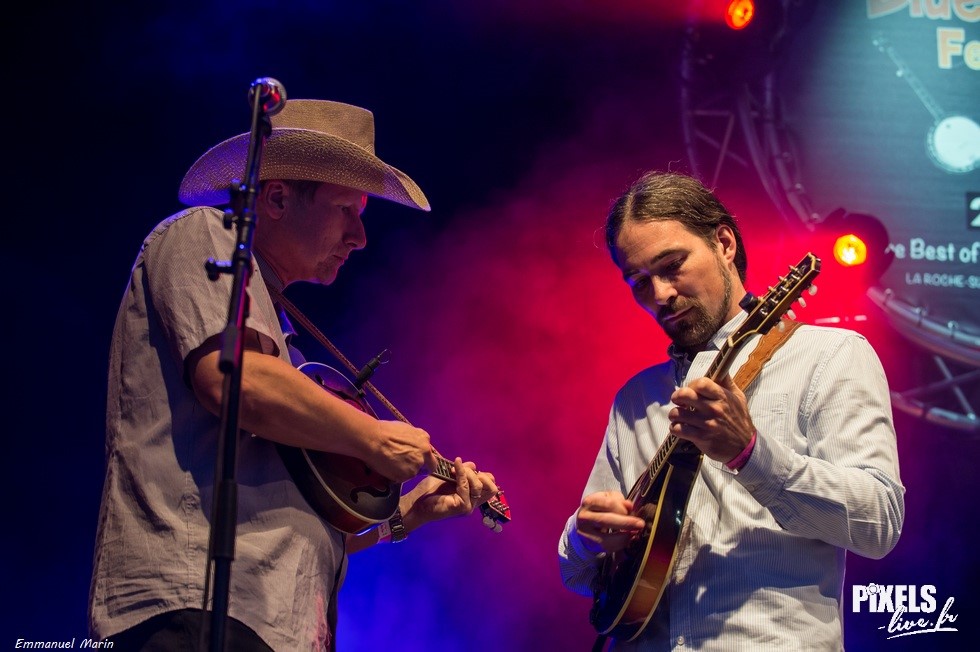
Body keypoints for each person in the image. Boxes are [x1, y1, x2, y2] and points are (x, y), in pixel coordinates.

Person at [89, 99, 499, 651]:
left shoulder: (281, 336)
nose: (361, 236)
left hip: (273, 625)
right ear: (278, 198)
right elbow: (232, 380)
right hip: (193, 607)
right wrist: (374, 438)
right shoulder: (205, 234)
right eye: (346, 209)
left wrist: (405, 515)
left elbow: (291, 529)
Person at [558, 171, 905, 650]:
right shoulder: (635, 399)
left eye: (672, 265)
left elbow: (879, 523)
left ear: (723, 243)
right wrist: (586, 537)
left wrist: (751, 453)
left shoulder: (831, 355)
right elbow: (579, 577)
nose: (660, 294)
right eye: (638, 282)